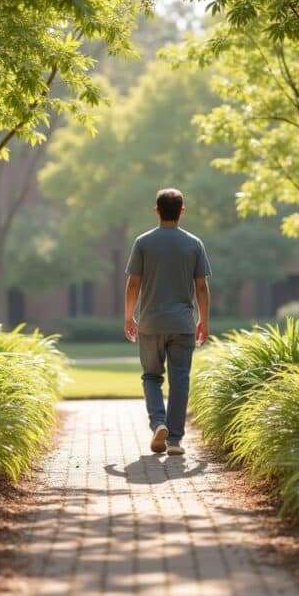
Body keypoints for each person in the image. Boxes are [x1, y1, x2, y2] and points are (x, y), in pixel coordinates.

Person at [124, 188, 211, 456]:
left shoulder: (143, 242)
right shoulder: (194, 244)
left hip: (150, 324)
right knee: (180, 380)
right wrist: (203, 321)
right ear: (182, 211)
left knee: (151, 376)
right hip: (183, 324)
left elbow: (133, 284)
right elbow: (202, 288)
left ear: (157, 210)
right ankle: (174, 440)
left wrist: (129, 316)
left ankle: (158, 423)